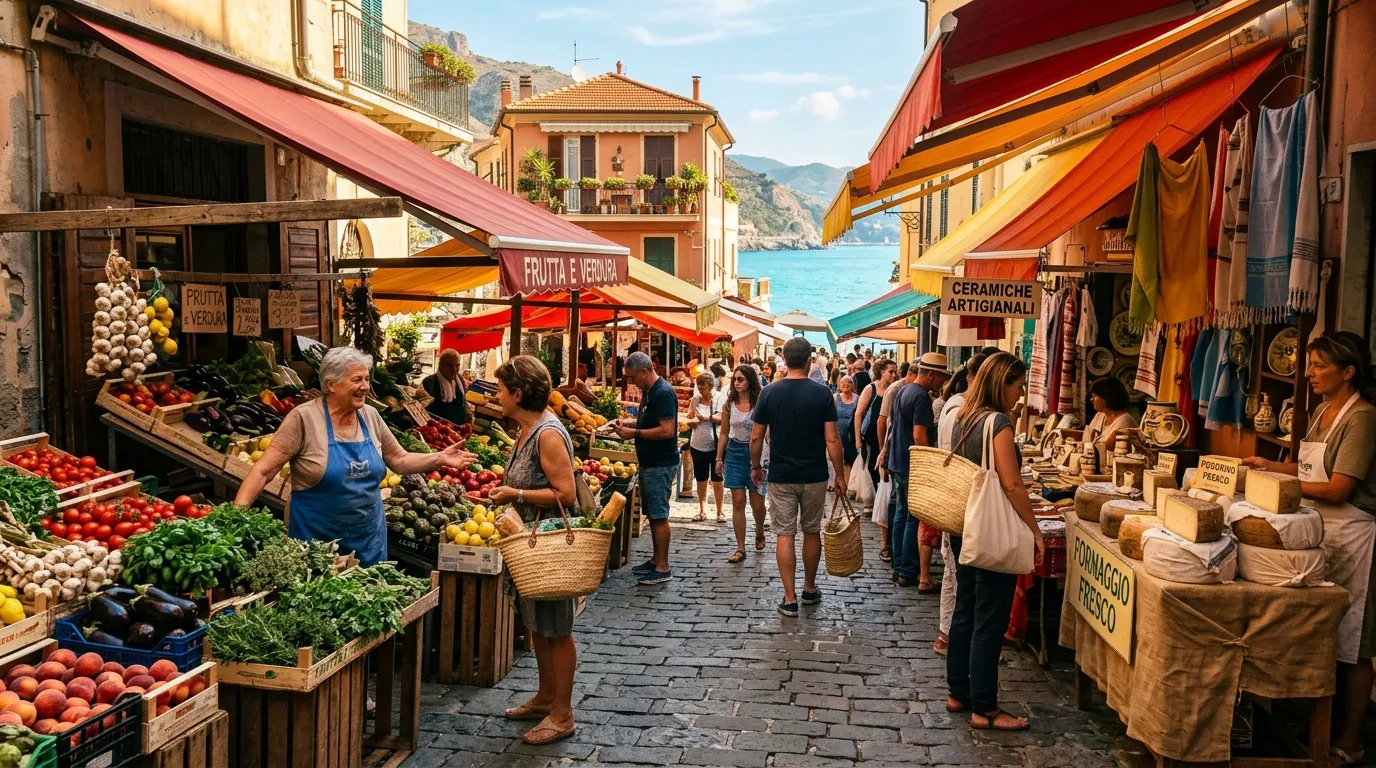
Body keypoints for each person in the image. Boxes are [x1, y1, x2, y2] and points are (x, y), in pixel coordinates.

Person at [1242, 332, 1376, 766]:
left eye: (1319, 365)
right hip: (1322, 532)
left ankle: (1350, 740)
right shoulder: (1322, 412)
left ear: (1348, 371)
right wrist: (1268, 467)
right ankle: (1324, 723)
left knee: (1354, 642)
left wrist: (1287, 484)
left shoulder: (1363, 418)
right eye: (1311, 364)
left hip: (1355, 535)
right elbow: (1303, 469)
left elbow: (1338, 488)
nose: (1310, 373)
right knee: (1323, 632)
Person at [237, 347, 477, 565]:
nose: (365, 386)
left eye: (366, 378)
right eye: (357, 380)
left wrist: (440, 458)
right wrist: (236, 517)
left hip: (367, 540)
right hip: (317, 544)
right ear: (331, 384)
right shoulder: (304, 419)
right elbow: (263, 470)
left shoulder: (370, 416)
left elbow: (400, 460)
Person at [480, 356, 581, 745]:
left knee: (558, 629)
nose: (498, 396)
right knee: (539, 624)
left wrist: (515, 493)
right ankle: (545, 697)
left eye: (502, 390)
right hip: (529, 546)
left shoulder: (548, 434)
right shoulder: (527, 429)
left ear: (518, 394)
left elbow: (566, 494)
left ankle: (562, 714)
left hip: (549, 548)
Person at [946, 352, 1043, 732]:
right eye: (1018, 387)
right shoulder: (998, 423)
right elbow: (1012, 483)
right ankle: (984, 707)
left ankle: (959, 692)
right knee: (990, 618)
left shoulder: (964, 417)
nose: (1020, 395)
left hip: (966, 528)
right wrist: (1034, 529)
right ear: (1002, 383)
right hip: (991, 531)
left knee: (966, 610)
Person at [750, 337, 847, 617]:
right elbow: (832, 438)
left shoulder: (769, 393)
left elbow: (756, 436)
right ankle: (809, 587)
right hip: (814, 473)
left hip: (781, 473)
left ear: (785, 359)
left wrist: (755, 466)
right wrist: (839, 475)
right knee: (811, 530)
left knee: (784, 533)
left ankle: (789, 598)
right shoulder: (822, 394)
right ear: (809, 361)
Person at [932, 355, 987, 657]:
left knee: (954, 573)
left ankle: (948, 636)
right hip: (961, 500)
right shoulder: (962, 410)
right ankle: (950, 638)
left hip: (954, 497)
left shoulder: (954, 405)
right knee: (958, 575)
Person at [882, 354, 951, 590]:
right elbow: (919, 436)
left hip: (899, 461)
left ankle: (900, 565)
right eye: (940, 376)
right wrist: (930, 465)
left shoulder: (905, 389)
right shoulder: (921, 397)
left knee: (902, 513)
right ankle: (909, 570)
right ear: (931, 374)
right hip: (912, 464)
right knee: (913, 517)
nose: (941, 382)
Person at [616, 352, 680, 585]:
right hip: (651, 462)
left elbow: (667, 430)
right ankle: (655, 560)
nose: (632, 382)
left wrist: (634, 433)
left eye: (633, 377)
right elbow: (649, 422)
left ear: (644, 371)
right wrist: (630, 425)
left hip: (660, 463)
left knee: (659, 514)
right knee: (653, 513)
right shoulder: (651, 391)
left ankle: (663, 567)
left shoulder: (662, 393)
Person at [717, 365, 769, 562]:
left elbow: (768, 430)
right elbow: (723, 433)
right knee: (738, 501)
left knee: (757, 504)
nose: (737, 383)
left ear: (750, 381)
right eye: (735, 380)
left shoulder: (760, 403)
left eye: (741, 379)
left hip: (757, 453)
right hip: (735, 452)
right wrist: (719, 458)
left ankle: (759, 531)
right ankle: (740, 548)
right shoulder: (729, 404)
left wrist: (768, 456)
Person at [855, 359, 897, 560]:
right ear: (881, 372)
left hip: (883, 442)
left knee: (880, 478)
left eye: (895, 372)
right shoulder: (871, 389)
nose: (893, 375)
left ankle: (878, 508)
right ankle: (875, 506)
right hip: (870, 439)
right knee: (873, 472)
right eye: (890, 371)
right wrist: (857, 439)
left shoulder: (895, 390)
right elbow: (859, 414)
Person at [686, 372, 725, 523]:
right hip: (697, 444)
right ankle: (702, 510)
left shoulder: (720, 398)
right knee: (701, 478)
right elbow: (690, 415)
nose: (700, 390)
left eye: (702, 388)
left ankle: (720, 511)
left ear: (710, 386)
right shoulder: (695, 399)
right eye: (698, 387)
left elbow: (723, 418)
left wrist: (706, 418)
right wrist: (692, 420)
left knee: (717, 478)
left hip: (716, 445)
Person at [1084, 377, 1138, 471]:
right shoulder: (1100, 415)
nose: (1091, 399)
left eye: (1095, 396)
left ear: (1106, 398)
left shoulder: (1125, 421)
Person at [420, 349, 473, 426]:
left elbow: (463, 402)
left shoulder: (460, 380)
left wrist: (468, 416)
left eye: (457, 365)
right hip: (439, 431)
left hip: (460, 429)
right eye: (450, 365)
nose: (454, 369)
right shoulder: (429, 382)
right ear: (440, 365)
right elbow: (424, 411)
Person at [834, 375, 860, 487]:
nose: (846, 385)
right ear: (839, 385)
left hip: (852, 435)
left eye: (849, 382)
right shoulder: (835, 398)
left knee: (852, 460)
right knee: (839, 459)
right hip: (838, 434)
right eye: (843, 383)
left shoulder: (858, 398)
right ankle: (838, 483)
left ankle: (851, 484)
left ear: (852, 385)